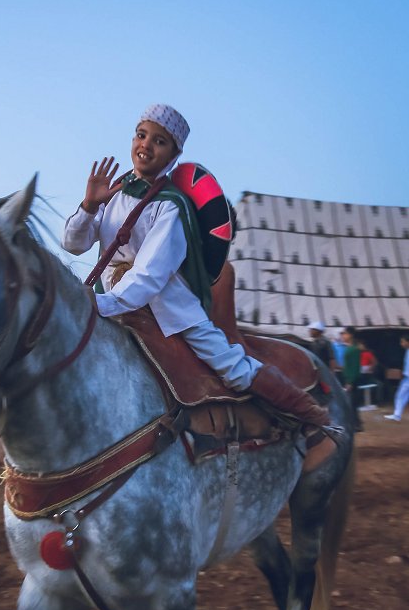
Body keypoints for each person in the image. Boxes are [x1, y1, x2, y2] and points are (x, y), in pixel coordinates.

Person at [62, 103, 329, 428]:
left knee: (232, 367)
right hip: (108, 301)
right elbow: (74, 244)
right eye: (141, 135)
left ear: (174, 155)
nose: (146, 144)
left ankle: (313, 418)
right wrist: (89, 206)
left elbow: (149, 276)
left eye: (159, 141)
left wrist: (98, 304)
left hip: (167, 308)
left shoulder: (171, 206)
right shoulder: (114, 191)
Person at [341, 326, 363, 431]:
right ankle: (356, 423)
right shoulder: (349, 348)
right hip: (349, 378)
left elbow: (355, 367)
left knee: (352, 403)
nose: (343, 336)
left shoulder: (354, 349)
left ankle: (356, 424)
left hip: (352, 380)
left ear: (350, 335)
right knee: (351, 402)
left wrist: (350, 382)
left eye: (344, 333)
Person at [384, 333, 409, 422]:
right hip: (406, 378)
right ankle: (397, 415)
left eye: (402, 342)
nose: (401, 344)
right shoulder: (407, 351)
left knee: (400, 396)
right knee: (401, 396)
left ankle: (397, 415)